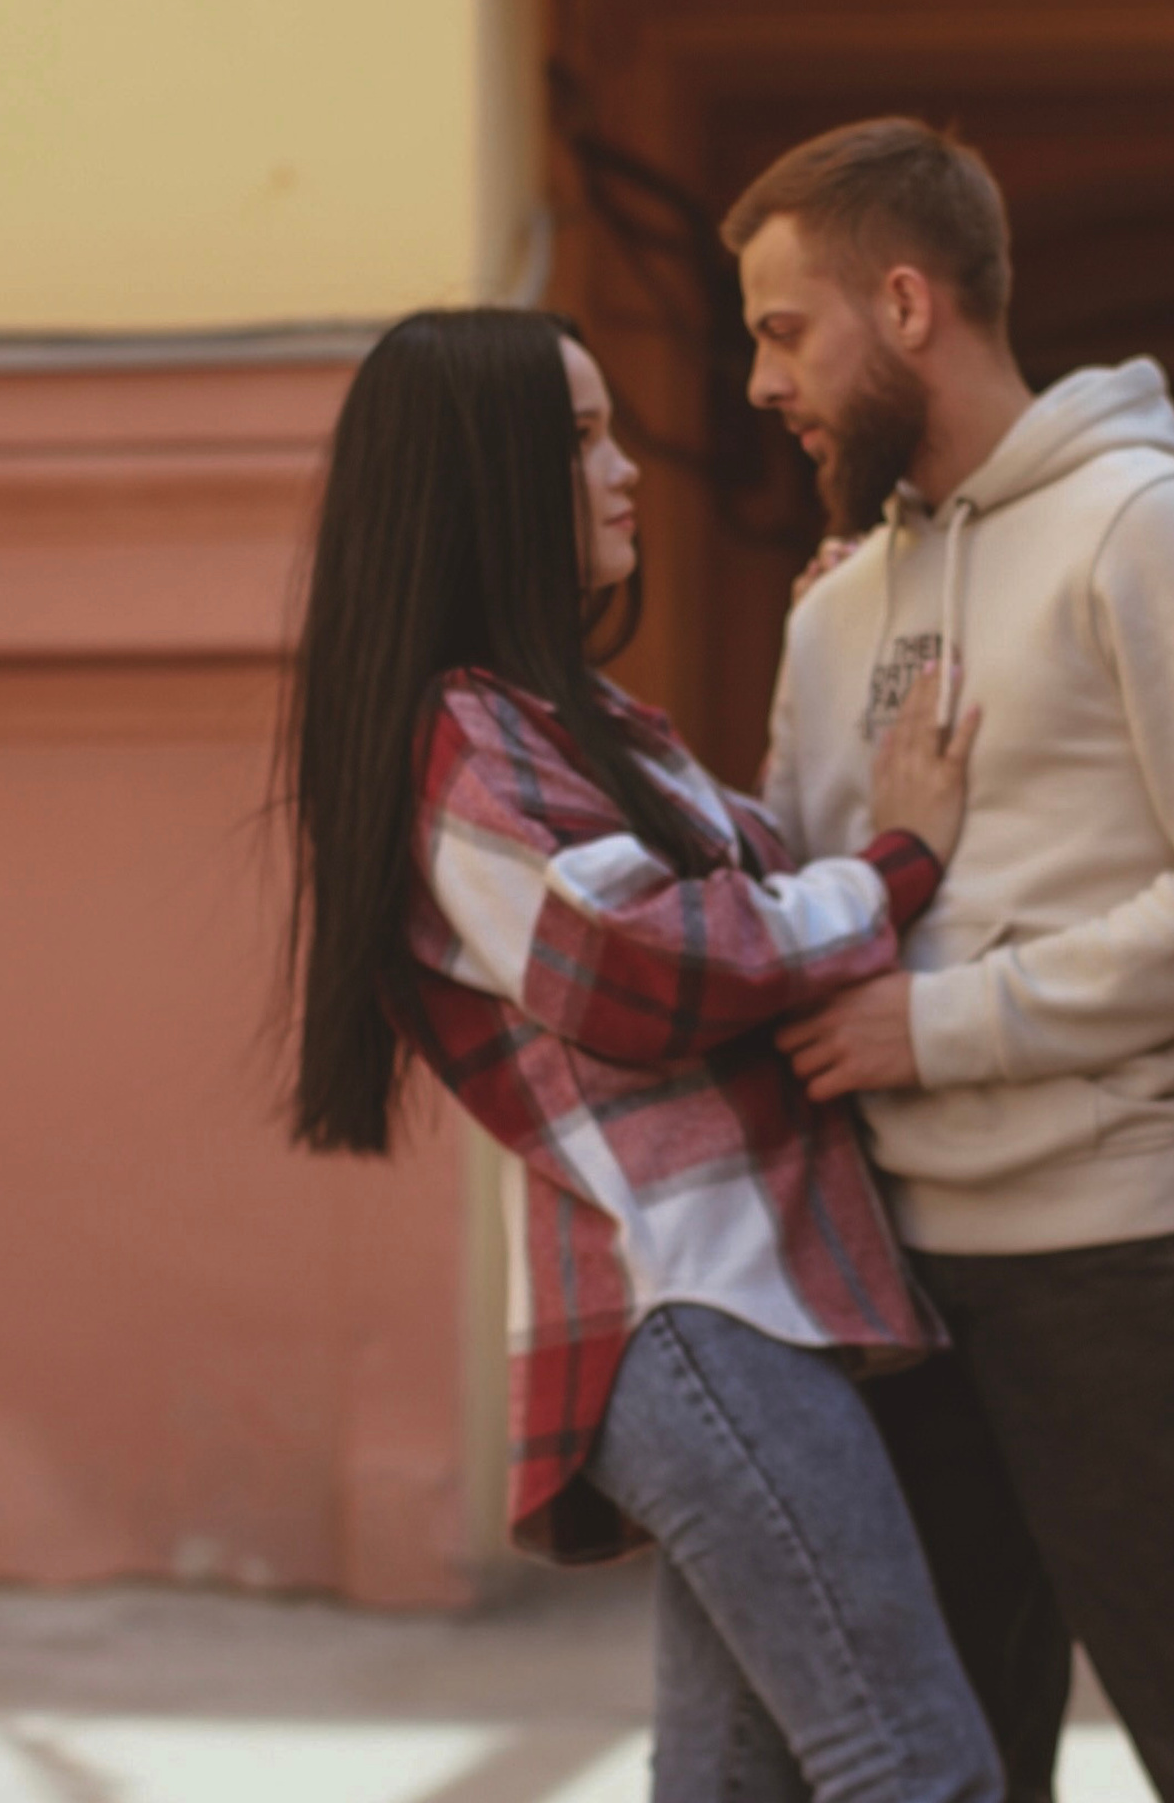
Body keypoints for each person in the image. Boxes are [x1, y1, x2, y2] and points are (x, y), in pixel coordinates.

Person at [726, 119, 1174, 1803]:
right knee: (940, 1769)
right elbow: (811, 914)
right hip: (895, 1282)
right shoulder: (832, 609)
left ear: (907, 301)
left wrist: (945, 1029)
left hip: (1122, 1259)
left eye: (783, 331)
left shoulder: (1145, 528)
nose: (755, 382)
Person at [281, 306, 1000, 1803]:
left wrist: (847, 657)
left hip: (743, 1300)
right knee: (915, 1761)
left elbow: (746, 909)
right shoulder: (464, 740)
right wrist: (899, 863)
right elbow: (644, 964)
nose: (627, 474)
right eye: (579, 440)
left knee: (737, 1781)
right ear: (477, 483)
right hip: (693, 1304)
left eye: (612, 432)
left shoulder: (582, 723)